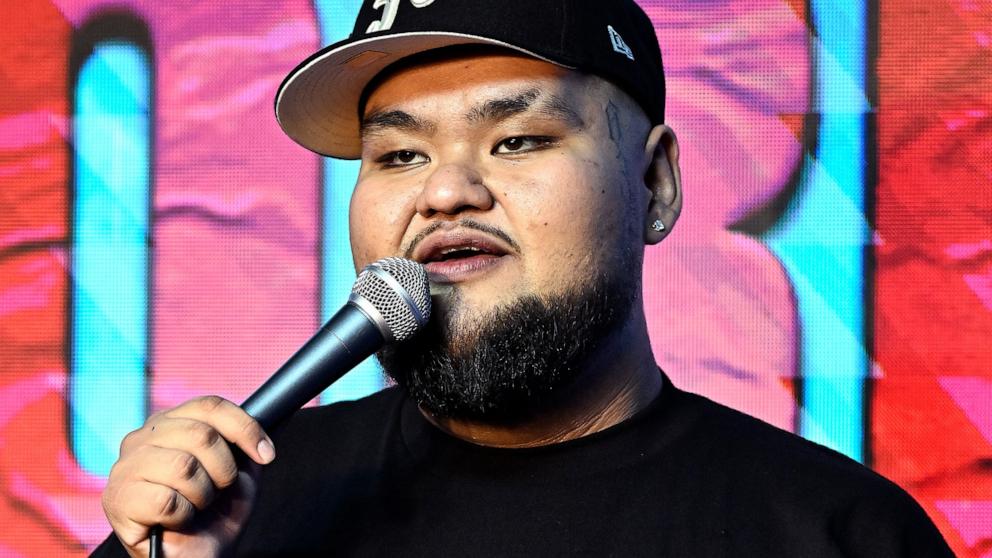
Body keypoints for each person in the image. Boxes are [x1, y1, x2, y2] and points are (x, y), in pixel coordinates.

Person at [93, 1, 954, 556]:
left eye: (518, 141)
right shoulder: (231, 513)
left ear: (655, 186)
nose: (443, 191)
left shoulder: (840, 534)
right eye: (398, 154)